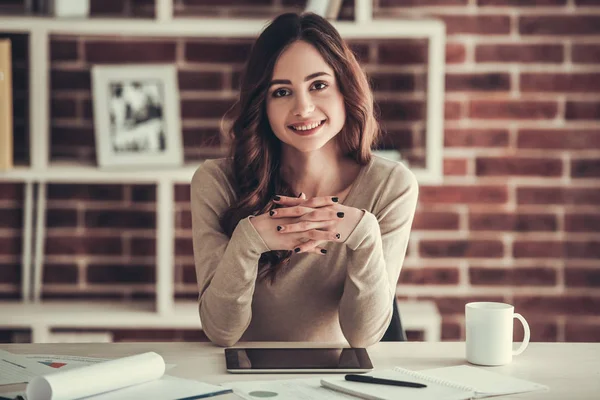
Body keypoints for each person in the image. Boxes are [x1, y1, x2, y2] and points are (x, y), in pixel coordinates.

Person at [191, 12, 419, 348]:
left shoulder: (391, 185)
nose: (304, 108)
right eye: (282, 92)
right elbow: (221, 331)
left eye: (319, 85)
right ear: (262, 105)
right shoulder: (215, 182)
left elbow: (364, 336)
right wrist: (248, 241)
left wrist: (365, 236)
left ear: (346, 89)